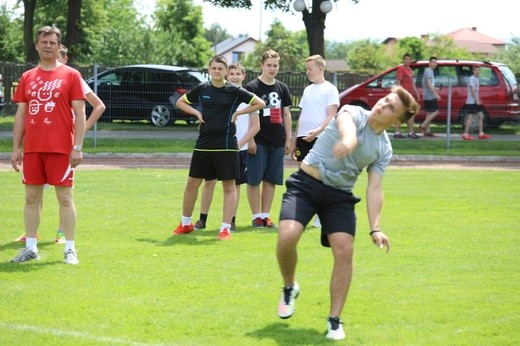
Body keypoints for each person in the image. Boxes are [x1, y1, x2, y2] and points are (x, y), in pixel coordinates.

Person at [275, 85, 420, 340]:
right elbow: (345, 123)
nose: (383, 105)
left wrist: (376, 227)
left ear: (397, 121)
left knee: (344, 250)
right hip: (306, 185)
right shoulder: (353, 112)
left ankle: (334, 320)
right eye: (385, 100)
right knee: (287, 236)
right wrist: (349, 139)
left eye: (391, 108)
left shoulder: (384, 148)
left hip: (339, 197)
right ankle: (290, 286)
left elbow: (375, 188)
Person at [14, 43, 106, 245]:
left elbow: (98, 106)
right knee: (35, 194)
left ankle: (63, 232)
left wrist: (81, 132)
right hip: (40, 142)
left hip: (62, 143)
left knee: (63, 194)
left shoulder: (72, 78)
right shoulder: (35, 77)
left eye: (63, 56)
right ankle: (32, 234)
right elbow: (22, 112)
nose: (59, 59)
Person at [10, 25, 86, 264]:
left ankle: (70, 250)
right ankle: (31, 247)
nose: (48, 46)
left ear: (58, 46)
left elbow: (81, 114)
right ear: (36, 45)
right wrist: (15, 149)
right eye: (44, 42)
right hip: (33, 149)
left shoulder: (71, 75)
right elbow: (21, 115)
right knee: (31, 198)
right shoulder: (27, 77)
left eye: (52, 42)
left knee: (65, 198)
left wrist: (78, 147)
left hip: (61, 149)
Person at [173, 56, 265, 240]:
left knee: (229, 187)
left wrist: (239, 112)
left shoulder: (235, 90)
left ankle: (225, 228)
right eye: (213, 68)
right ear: (209, 70)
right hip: (203, 145)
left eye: (220, 68)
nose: (217, 71)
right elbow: (180, 102)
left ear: (225, 71)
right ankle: (185, 224)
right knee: (192, 184)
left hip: (227, 146)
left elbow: (259, 103)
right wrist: (196, 112)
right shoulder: (202, 88)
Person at [193, 62, 260, 232]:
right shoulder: (220, 92)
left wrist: (242, 143)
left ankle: (231, 221)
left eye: (239, 74)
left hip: (237, 147)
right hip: (217, 145)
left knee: (233, 185)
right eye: (232, 74)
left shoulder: (247, 97)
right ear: (227, 75)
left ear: (244, 76)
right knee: (209, 182)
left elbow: (255, 125)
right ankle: (202, 219)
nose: (235, 77)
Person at [245, 49, 292, 228]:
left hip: (277, 140)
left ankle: (265, 216)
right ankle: (256, 216)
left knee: (271, 179)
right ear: (261, 66)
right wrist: (250, 139)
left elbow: (286, 114)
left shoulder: (282, 88)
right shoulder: (252, 87)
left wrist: (288, 138)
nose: (272, 69)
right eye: (269, 65)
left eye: (275, 65)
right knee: (254, 179)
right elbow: (248, 116)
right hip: (259, 140)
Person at [290, 54, 339, 228]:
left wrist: (317, 131)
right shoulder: (307, 90)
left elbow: (331, 115)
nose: (307, 72)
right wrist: (294, 139)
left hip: (320, 138)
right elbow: (302, 117)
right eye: (306, 69)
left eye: (310, 69)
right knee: (304, 179)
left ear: (320, 68)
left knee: (319, 177)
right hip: (304, 138)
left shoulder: (330, 89)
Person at [393, 53, 421, 139]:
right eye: (406, 59)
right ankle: (398, 132)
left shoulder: (409, 70)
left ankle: (410, 132)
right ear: (403, 60)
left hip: (410, 95)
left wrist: (417, 94)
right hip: (404, 95)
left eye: (409, 59)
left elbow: (412, 84)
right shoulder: (401, 69)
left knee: (410, 114)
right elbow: (398, 82)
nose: (408, 60)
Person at [462, 65, 492, 140]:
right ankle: (465, 134)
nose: (477, 72)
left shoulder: (477, 79)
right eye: (476, 70)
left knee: (481, 116)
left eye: (478, 70)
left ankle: (481, 134)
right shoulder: (472, 79)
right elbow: (472, 89)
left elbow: (476, 91)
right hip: (471, 102)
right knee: (470, 117)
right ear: (473, 71)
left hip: (476, 101)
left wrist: (479, 99)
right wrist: (476, 99)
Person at [419, 57, 441, 136]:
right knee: (436, 111)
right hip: (429, 96)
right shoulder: (428, 71)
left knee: (429, 113)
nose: (434, 63)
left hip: (428, 94)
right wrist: (436, 94)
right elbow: (428, 84)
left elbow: (429, 84)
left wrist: (435, 88)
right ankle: (423, 125)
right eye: (433, 62)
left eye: (436, 62)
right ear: (429, 63)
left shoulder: (429, 71)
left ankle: (427, 131)